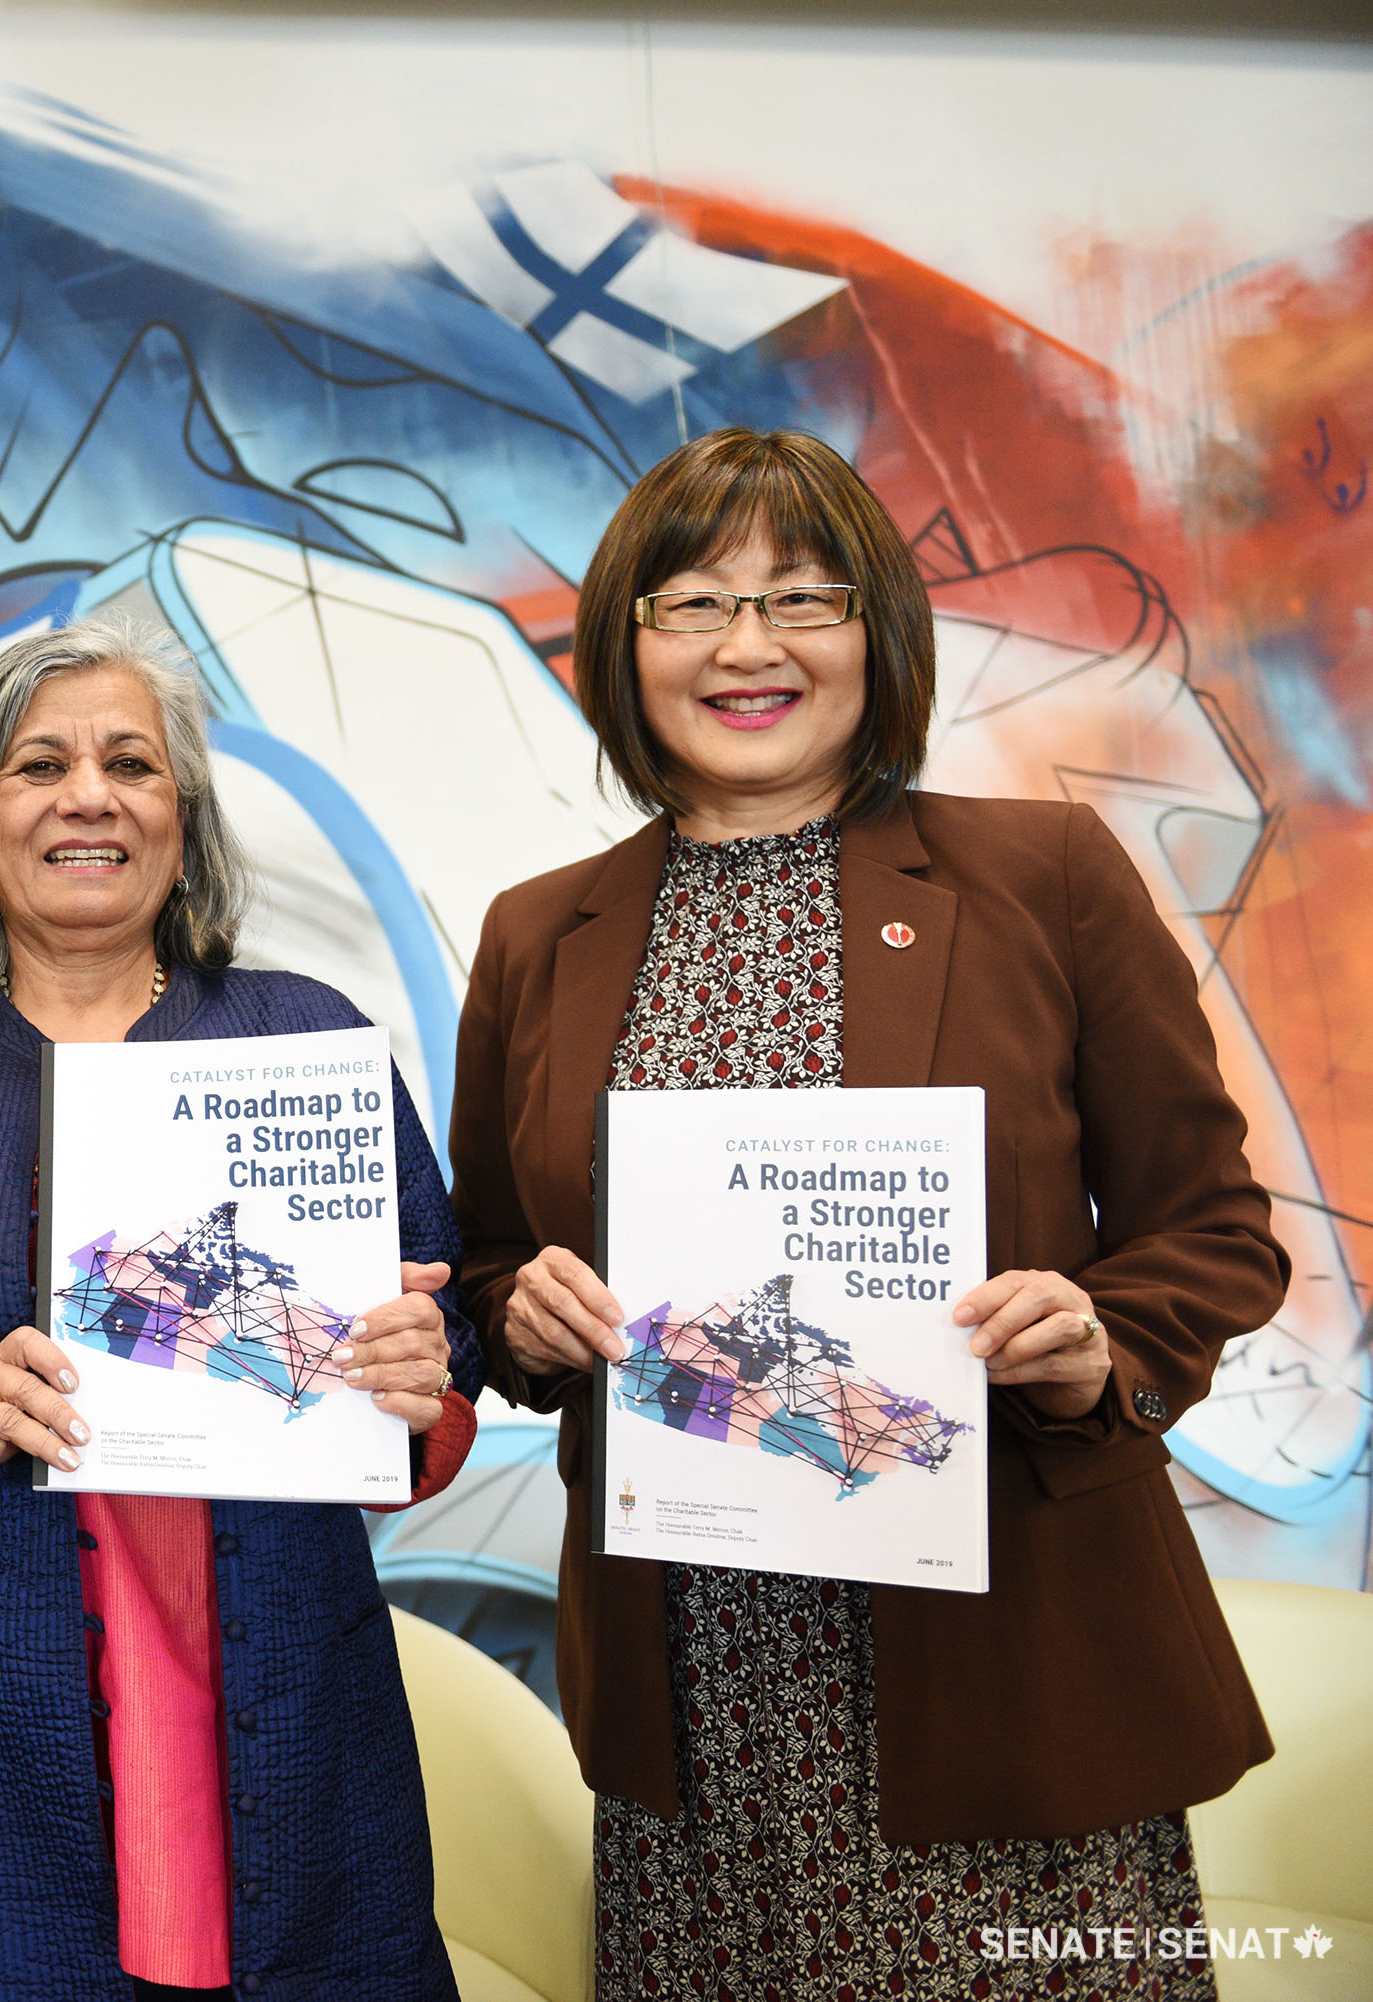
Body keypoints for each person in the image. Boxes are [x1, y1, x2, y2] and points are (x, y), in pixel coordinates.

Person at [447, 427, 1284, 1995]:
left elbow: (1215, 1225)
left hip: (1012, 1668)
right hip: (696, 1687)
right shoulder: (538, 932)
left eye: (801, 597)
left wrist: (1099, 1337)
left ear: (875, 634)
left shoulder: (1042, 872)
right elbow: (492, 1255)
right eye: (690, 603)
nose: (746, 646)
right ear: (626, 644)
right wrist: (518, 1312)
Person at [0, 616, 481, 2002]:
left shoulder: (303, 1037)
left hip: (279, 1694)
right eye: (39, 766)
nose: (90, 793)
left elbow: (447, 1342)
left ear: (181, 830)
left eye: (132, 763)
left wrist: (414, 1366)